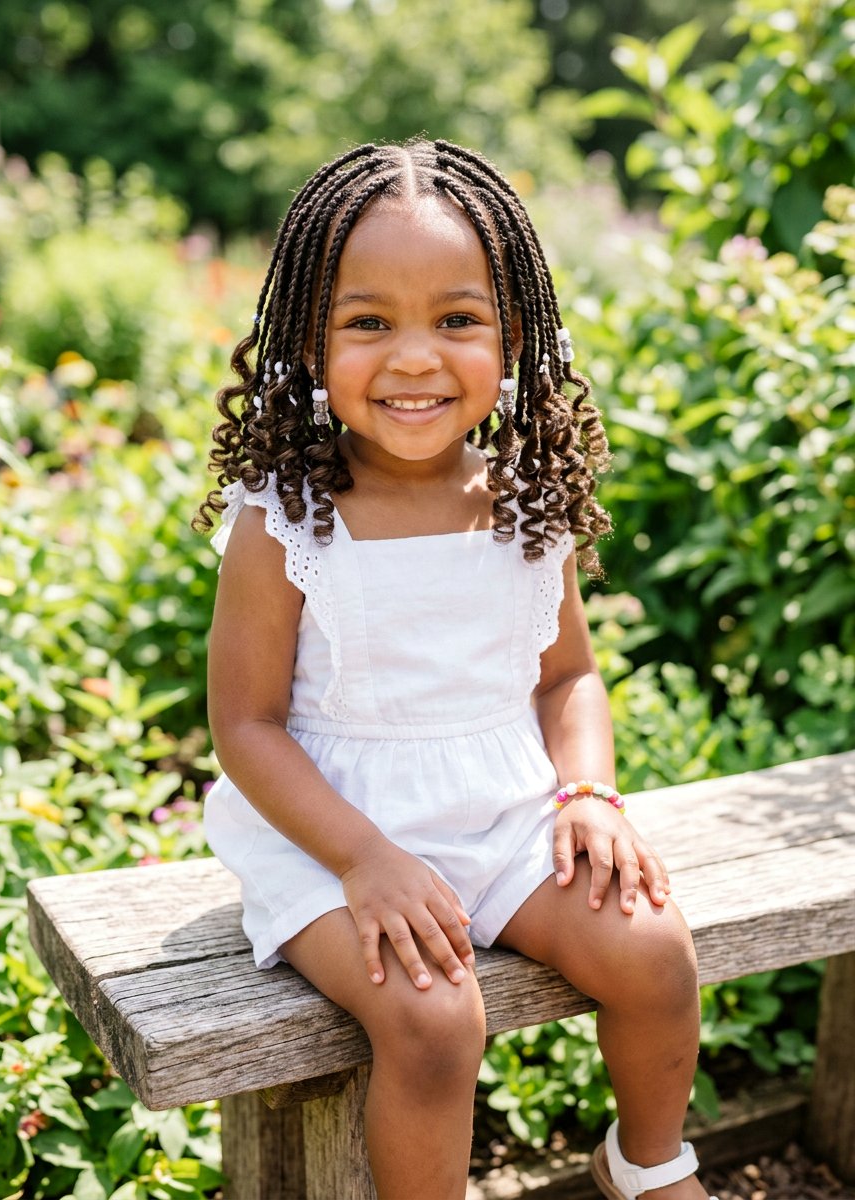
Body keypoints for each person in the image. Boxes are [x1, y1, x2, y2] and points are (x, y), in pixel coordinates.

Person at [194, 139, 717, 1200]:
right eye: (368, 321)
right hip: (332, 828)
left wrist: (587, 793)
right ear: (307, 337)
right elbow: (244, 724)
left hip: (501, 809)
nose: (415, 359)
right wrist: (363, 860)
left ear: (512, 331)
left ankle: (646, 1166)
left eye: (457, 319)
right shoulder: (285, 521)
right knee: (435, 1021)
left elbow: (565, 676)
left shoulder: (526, 499)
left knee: (653, 951)